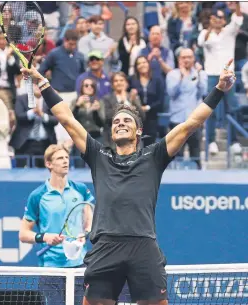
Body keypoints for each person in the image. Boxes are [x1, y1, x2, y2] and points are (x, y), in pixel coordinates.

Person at [21, 58, 236, 305]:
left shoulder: (154, 156)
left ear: (137, 132)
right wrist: (43, 83)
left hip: (143, 245)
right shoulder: (97, 154)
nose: (120, 123)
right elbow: (67, 119)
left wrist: (219, 89)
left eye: (126, 121)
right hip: (105, 246)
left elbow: (191, 125)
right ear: (111, 132)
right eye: (116, 122)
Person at [19, 144, 94, 305]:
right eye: (60, 158)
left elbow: (89, 218)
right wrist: (45, 237)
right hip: (52, 268)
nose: (65, 161)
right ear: (49, 164)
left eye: (67, 157)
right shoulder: (38, 195)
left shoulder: (80, 189)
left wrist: (85, 232)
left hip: (79, 265)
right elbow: (23, 234)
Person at [198, 6, 243, 155]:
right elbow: (201, 43)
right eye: (215, 18)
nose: (218, 20)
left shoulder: (230, 31)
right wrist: (210, 26)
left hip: (229, 74)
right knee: (210, 109)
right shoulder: (205, 32)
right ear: (211, 19)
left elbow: (238, 17)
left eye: (221, 18)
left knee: (232, 108)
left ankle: (234, 142)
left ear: (224, 20)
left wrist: (236, 5)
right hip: (212, 75)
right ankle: (211, 141)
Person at [166, 48, 208, 169]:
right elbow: (171, 93)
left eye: (189, 57)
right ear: (179, 59)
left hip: (194, 120)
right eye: (183, 57)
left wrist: (199, 75)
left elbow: (202, 92)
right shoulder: (172, 74)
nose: (186, 60)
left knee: (195, 153)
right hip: (177, 119)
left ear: (193, 59)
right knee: (175, 153)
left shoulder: (200, 73)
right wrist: (181, 78)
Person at [10, 83, 58, 168]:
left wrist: (42, 115)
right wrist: (33, 112)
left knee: (45, 172)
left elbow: (55, 120)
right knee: (20, 172)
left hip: (45, 143)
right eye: (35, 84)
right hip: (25, 143)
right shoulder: (21, 98)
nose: (38, 87)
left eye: (41, 85)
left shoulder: (51, 100)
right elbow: (19, 116)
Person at [102, 71, 145, 149]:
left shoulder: (133, 97)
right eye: (116, 81)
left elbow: (142, 116)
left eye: (121, 80)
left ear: (126, 83)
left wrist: (133, 101)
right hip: (113, 141)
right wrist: (123, 103)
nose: (119, 83)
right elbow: (107, 117)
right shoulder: (107, 98)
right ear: (112, 84)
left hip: (133, 140)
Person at [129, 55, 165, 146]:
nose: (142, 65)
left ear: (148, 64)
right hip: (135, 117)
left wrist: (148, 107)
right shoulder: (132, 79)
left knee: (149, 144)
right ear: (136, 67)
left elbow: (161, 100)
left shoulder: (157, 79)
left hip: (152, 116)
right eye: (139, 63)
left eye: (144, 62)